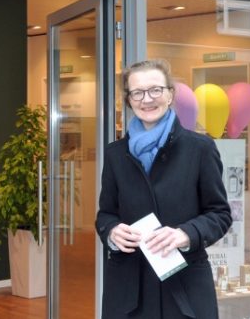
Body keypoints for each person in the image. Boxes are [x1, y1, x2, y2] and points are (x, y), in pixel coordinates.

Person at [96, 59, 231, 318]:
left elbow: (220, 214)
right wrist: (111, 232)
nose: (147, 99)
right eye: (137, 92)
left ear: (170, 94)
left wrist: (186, 234)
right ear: (129, 100)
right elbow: (106, 214)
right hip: (128, 290)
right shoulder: (115, 154)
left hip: (184, 286)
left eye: (155, 90)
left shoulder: (200, 149)